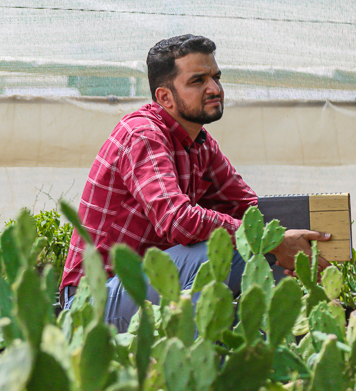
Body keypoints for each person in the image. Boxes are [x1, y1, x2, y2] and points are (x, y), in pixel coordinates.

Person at [59, 34, 330, 332]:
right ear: (165, 97)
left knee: (262, 253)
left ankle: (264, 348)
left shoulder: (200, 143)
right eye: (198, 81)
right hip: (95, 301)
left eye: (216, 77)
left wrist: (301, 247)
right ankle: (195, 352)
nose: (214, 89)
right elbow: (177, 220)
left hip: (148, 289)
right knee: (223, 249)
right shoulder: (143, 135)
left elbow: (249, 210)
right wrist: (271, 240)